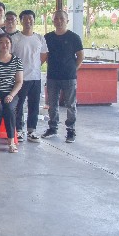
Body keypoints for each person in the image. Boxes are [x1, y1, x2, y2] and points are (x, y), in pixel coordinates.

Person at [42, 10, 84, 143]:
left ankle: (71, 130)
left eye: (62, 19)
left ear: (67, 21)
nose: (59, 21)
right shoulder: (47, 37)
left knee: (70, 104)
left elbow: (80, 56)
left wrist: (73, 69)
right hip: (52, 76)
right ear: (53, 21)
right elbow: (45, 55)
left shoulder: (74, 37)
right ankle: (52, 128)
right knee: (52, 104)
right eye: (56, 19)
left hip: (69, 77)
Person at [11, 9, 48, 143]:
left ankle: (32, 131)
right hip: (20, 79)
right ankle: (19, 130)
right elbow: (10, 56)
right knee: (19, 105)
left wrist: (35, 66)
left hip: (36, 78)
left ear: (34, 20)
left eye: (30, 19)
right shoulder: (15, 38)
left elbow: (43, 55)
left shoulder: (39, 38)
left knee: (34, 105)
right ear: (20, 21)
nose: (28, 21)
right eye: (25, 19)